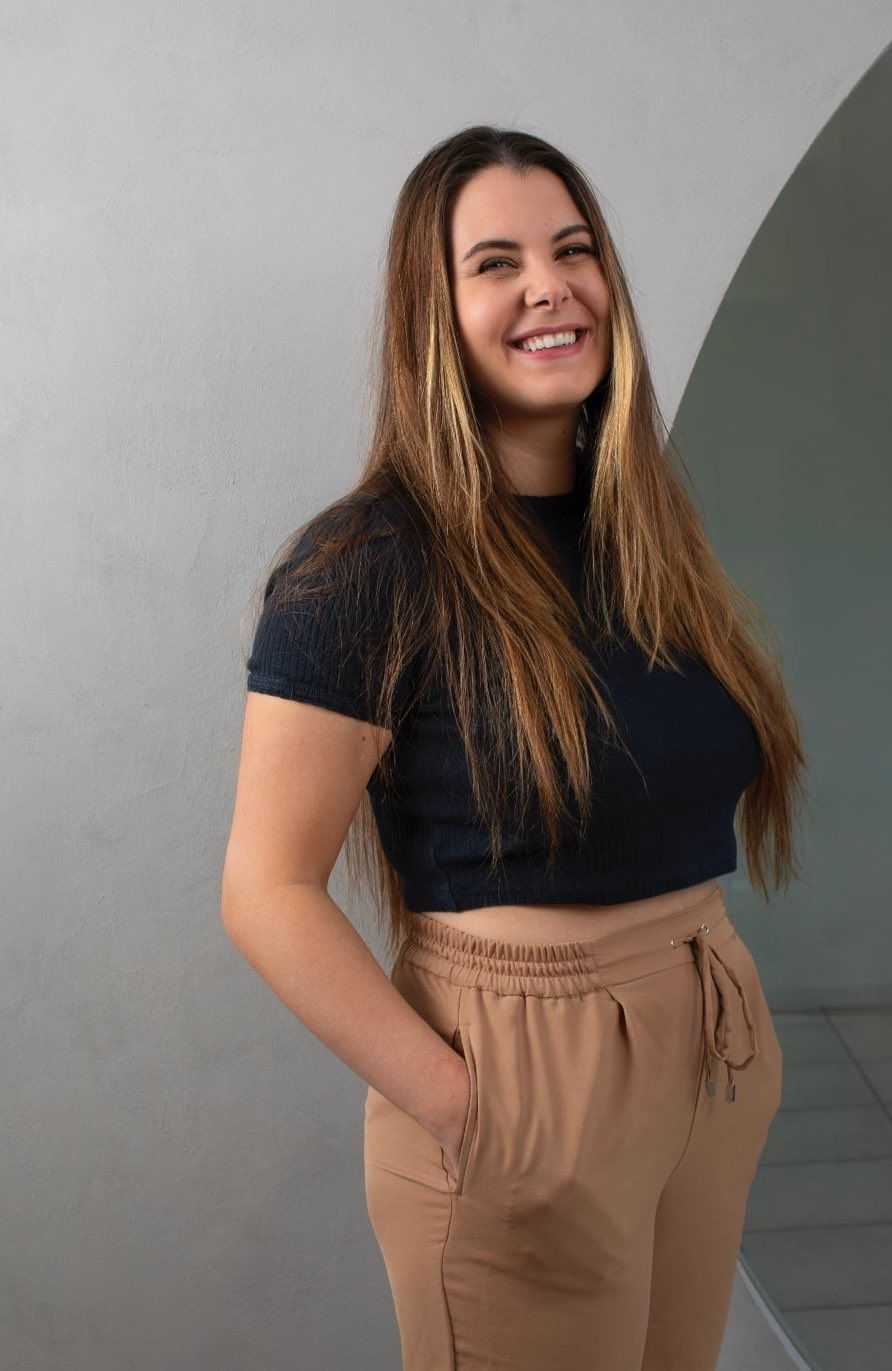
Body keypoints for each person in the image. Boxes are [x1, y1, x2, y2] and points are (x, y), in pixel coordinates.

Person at [221, 125, 807, 1371]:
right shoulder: (362, 569)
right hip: (519, 1079)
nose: (551, 286)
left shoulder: (643, 537)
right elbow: (264, 889)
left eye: (573, 250)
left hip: (705, 1045)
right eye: (496, 263)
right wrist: (469, 1113)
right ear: (430, 312)